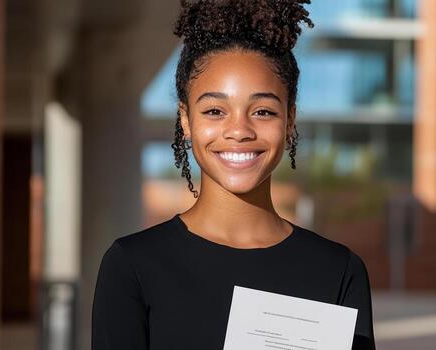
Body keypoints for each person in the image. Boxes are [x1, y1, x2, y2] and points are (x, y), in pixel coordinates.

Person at [91, 0, 376, 349]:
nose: (238, 130)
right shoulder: (132, 267)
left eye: (262, 111)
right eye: (214, 110)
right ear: (185, 120)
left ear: (290, 121)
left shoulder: (339, 271)